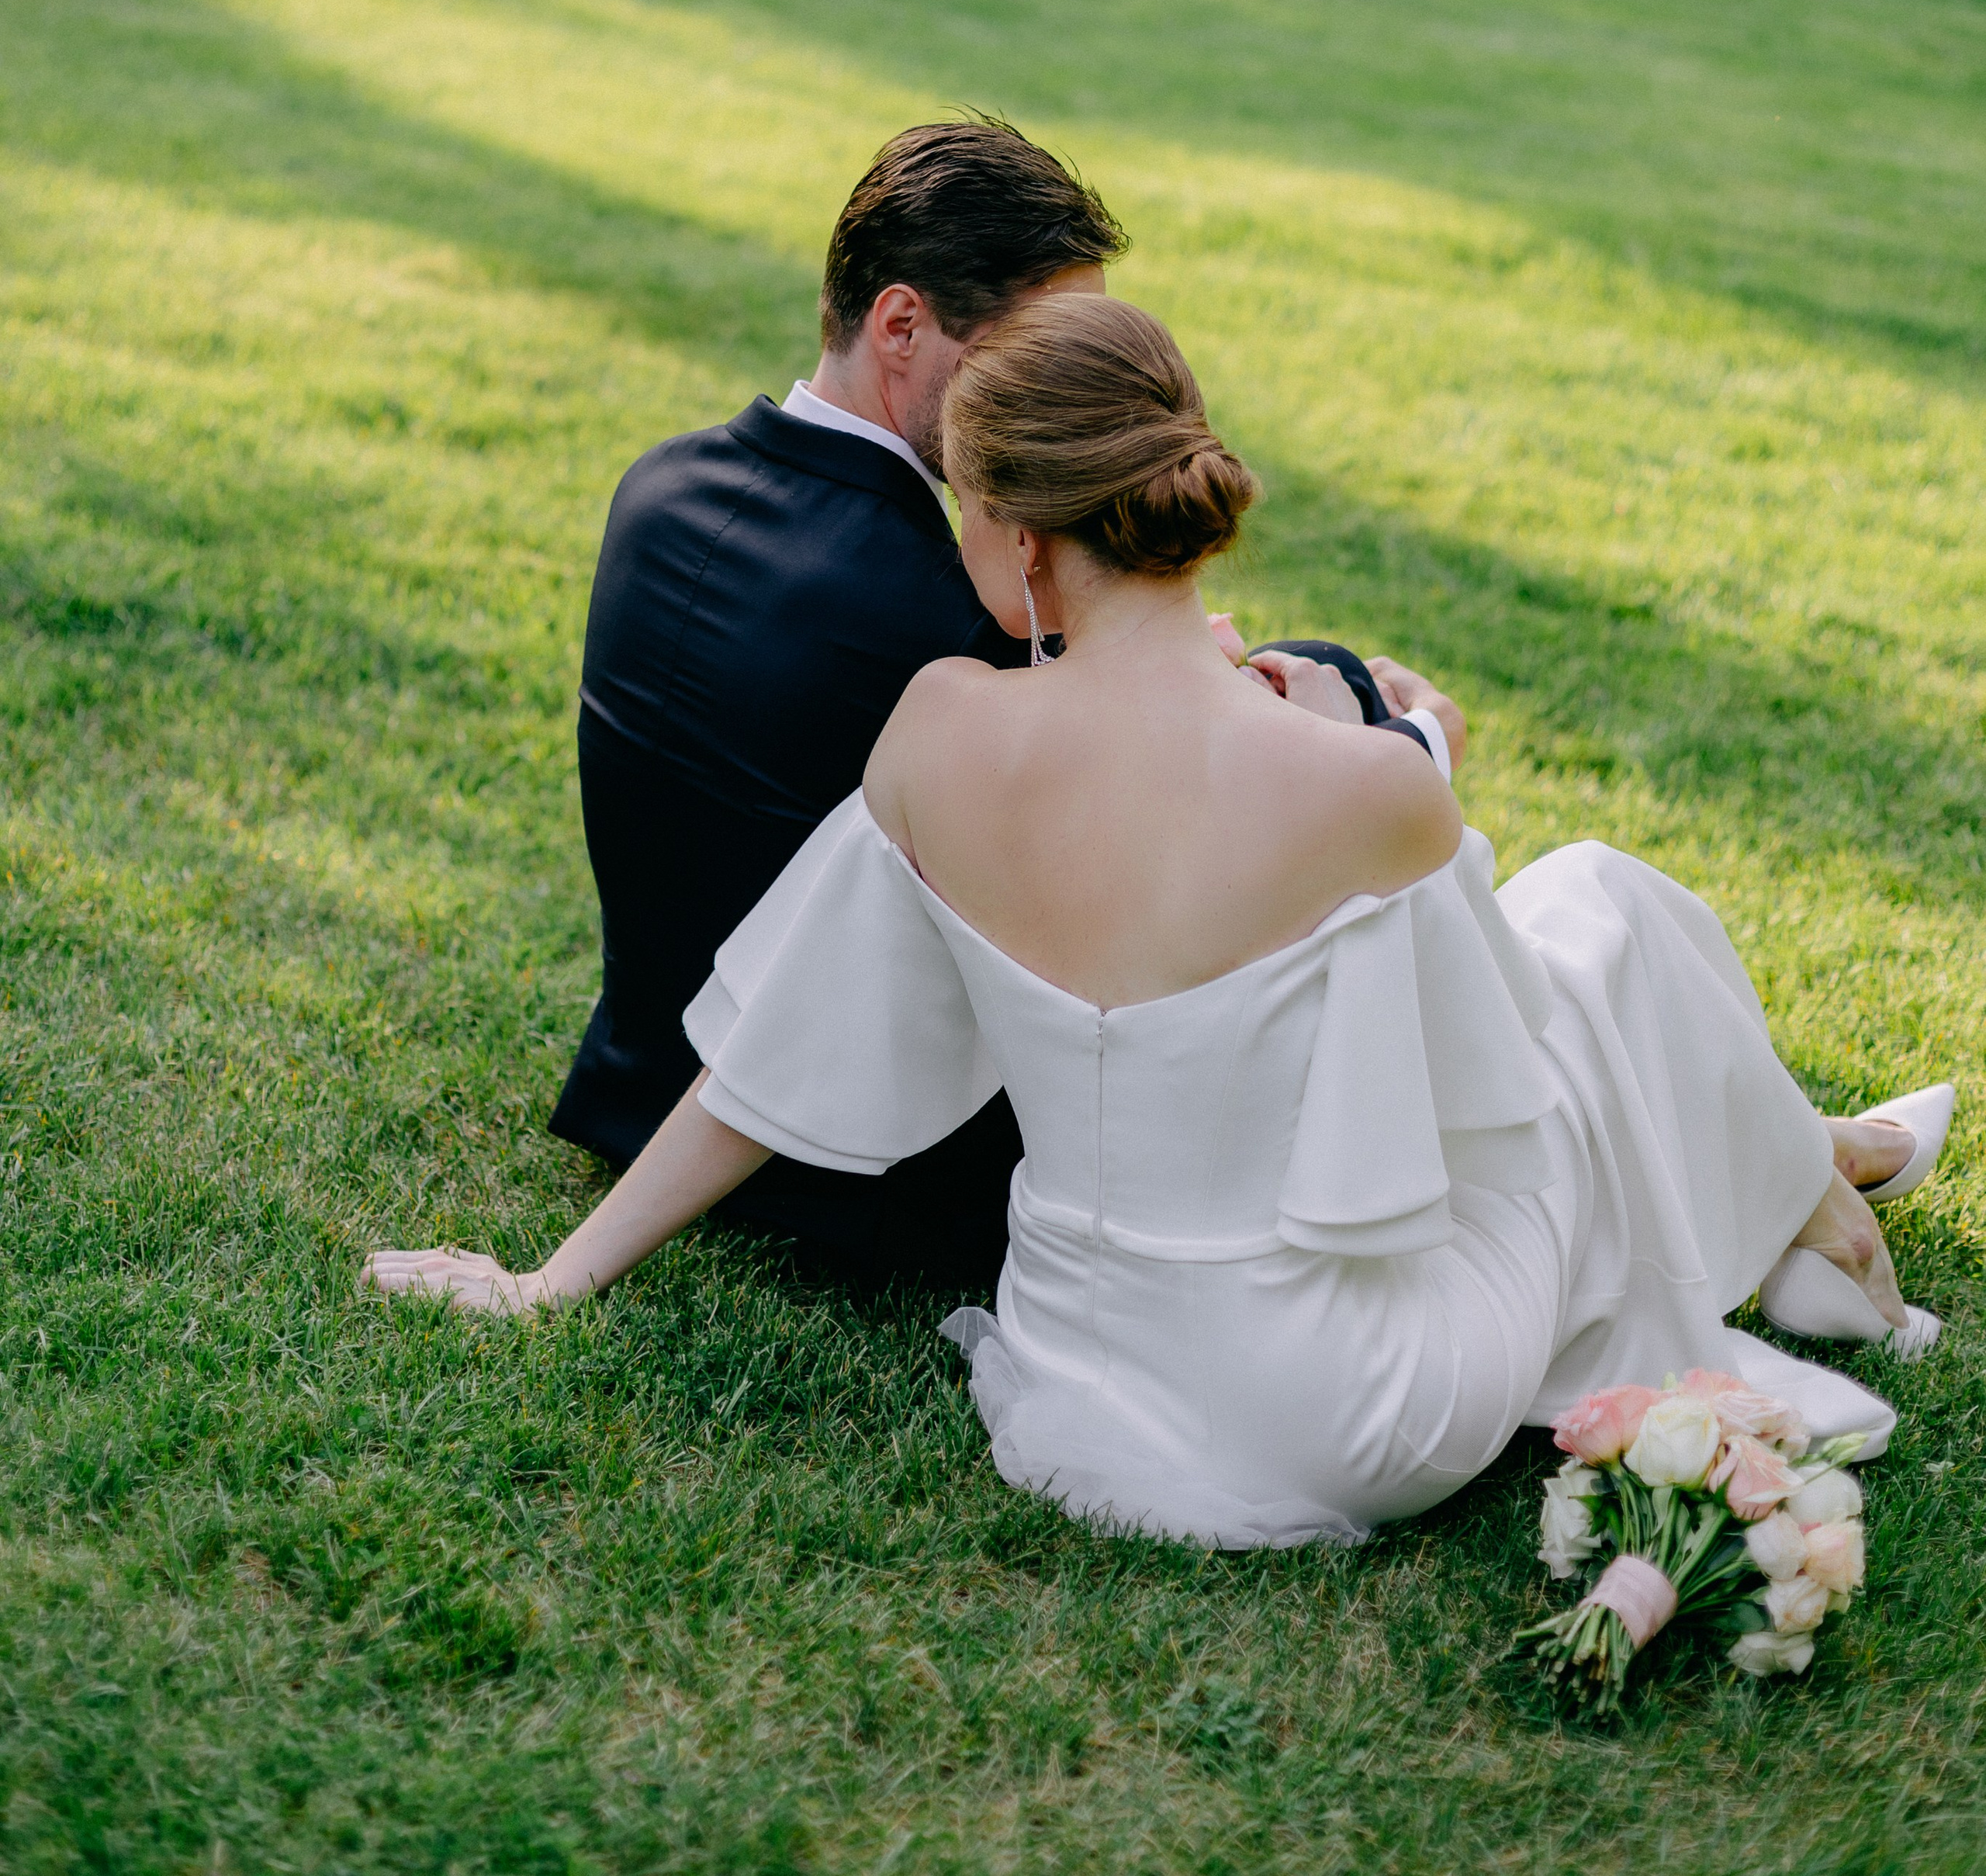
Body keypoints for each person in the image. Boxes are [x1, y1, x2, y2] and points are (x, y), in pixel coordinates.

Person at [368, 298, 1950, 1549]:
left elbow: (768, 1063)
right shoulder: (1354, 784)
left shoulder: (933, 736)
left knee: (1584, 954)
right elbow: (1499, 1075)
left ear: (1017, 527)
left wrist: (543, 1280)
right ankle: (1802, 1192)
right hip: (1356, 1419)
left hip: (1081, 1387)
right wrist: (1418, 751)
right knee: (1594, 922)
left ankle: (1800, 1186)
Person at [547, 115, 1447, 1291]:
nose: (1053, 385)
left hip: (634, 1080)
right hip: (867, 1180)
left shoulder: (657, 485)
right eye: (1034, 346)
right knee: (1335, 683)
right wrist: (1391, 730)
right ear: (903, 323)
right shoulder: (949, 628)